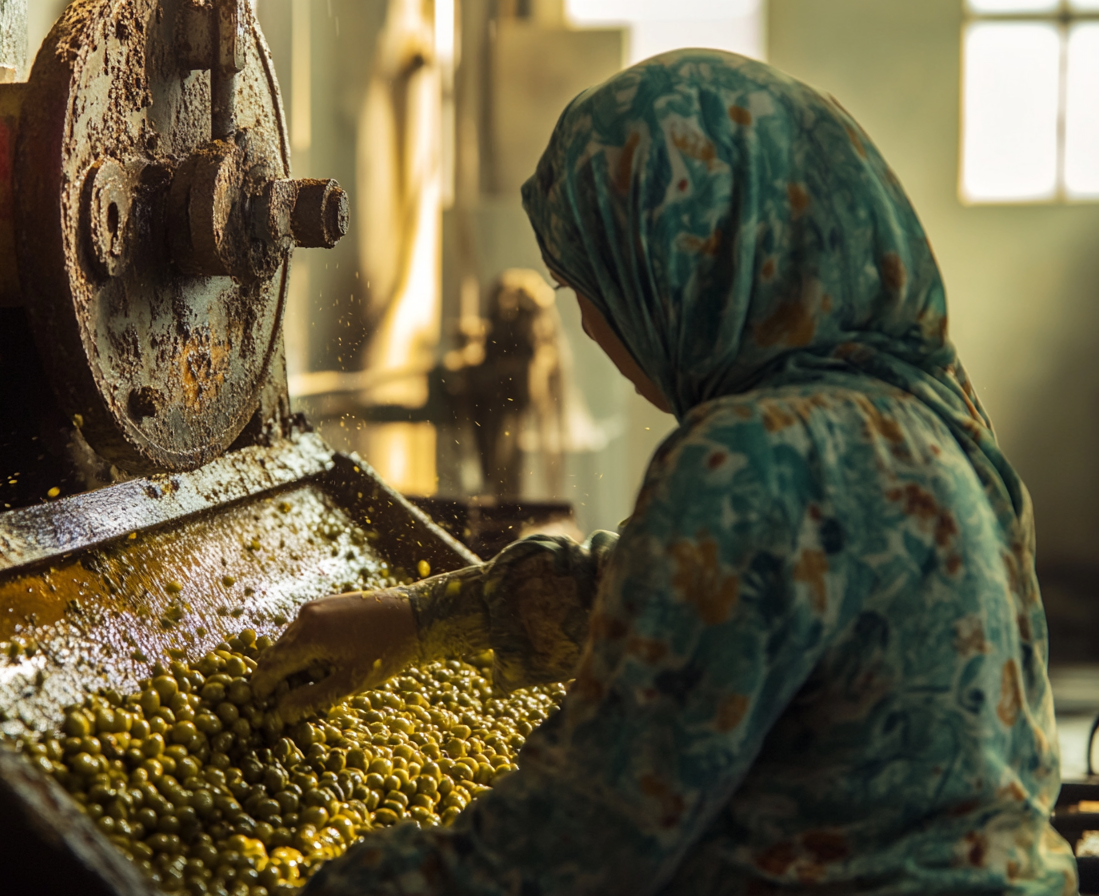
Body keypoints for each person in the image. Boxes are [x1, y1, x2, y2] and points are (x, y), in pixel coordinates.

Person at [251, 49, 1078, 894]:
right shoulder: (922, 420)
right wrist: (416, 622)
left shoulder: (757, 461)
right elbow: (688, 589)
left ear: (683, 259)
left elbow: (560, 854)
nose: (589, 326)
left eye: (588, 276)